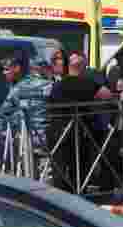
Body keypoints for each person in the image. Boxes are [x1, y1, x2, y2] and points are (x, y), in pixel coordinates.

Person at [47, 52, 114, 194]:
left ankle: (60, 194)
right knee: (79, 164)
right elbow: (108, 95)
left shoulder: (57, 86)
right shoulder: (89, 83)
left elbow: (50, 103)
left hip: (59, 130)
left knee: (60, 165)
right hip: (80, 130)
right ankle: (78, 192)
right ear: (83, 67)